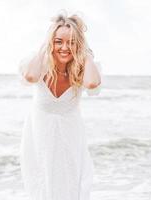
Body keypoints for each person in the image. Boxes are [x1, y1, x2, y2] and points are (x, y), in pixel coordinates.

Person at [18, 11, 102, 200]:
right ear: (50, 42)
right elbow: (30, 77)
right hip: (39, 136)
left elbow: (92, 84)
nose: (65, 47)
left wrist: (87, 55)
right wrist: (43, 48)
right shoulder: (39, 64)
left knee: (72, 185)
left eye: (72, 42)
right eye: (58, 41)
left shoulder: (83, 68)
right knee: (41, 184)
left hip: (70, 136)